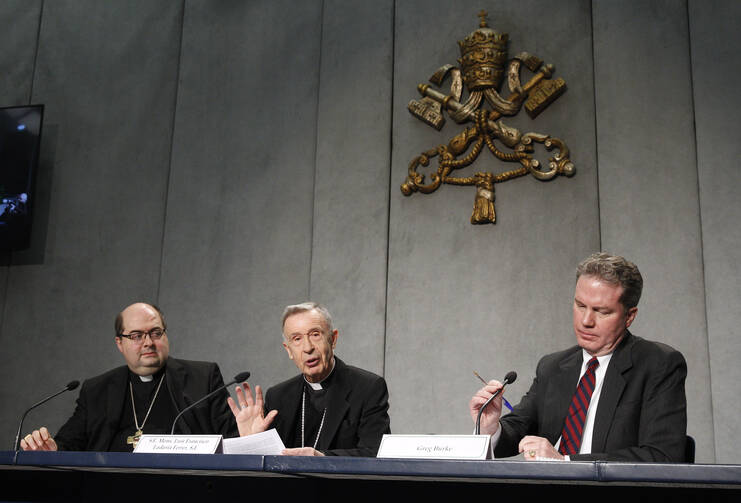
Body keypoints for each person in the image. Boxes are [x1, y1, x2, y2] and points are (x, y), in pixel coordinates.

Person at [470, 252, 687, 462]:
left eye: (601, 311)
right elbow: (518, 428)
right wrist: (491, 428)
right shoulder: (553, 367)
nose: (586, 321)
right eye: (580, 306)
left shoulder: (659, 365)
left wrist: (566, 461)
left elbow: (662, 455)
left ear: (629, 316)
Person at [20, 302, 238, 451]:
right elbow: (68, 444)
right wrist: (50, 448)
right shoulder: (97, 390)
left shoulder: (202, 378)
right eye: (136, 335)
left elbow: (232, 440)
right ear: (120, 343)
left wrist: (248, 437)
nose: (148, 342)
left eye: (155, 332)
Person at [229, 302, 390, 456]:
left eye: (315, 334)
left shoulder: (367, 388)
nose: (308, 347)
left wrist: (322, 458)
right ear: (288, 350)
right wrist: (251, 442)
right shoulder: (278, 397)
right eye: (297, 339)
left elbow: (374, 453)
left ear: (333, 339)